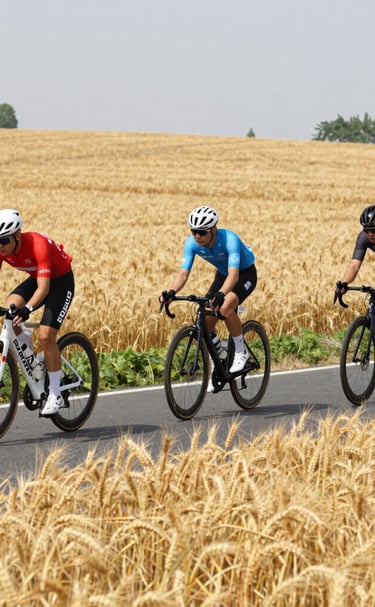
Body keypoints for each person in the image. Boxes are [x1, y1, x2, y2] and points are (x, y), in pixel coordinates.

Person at [160, 205, 257, 375]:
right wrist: (171, 292)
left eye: (202, 232)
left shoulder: (229, 239)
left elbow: (233, 276)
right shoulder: (192, 243)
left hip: (243, 274)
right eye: (194, 231)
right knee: (205, 319)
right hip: (222, 275)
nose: (197, 236)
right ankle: (218, 355)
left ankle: (241, 353)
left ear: (213, 230)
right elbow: (183, 273)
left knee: (225, 307)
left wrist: (221, 294)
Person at [0, 209, 74, 416]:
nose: (0, 245)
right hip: (36, 279)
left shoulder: (37, 245)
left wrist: (28, 309)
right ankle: (31, 358)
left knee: (46, 335)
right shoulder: (2, 249)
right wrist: (17, 310)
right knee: (9, 309)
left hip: (60, 282)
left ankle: (56, 394)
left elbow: (44, 289)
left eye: (4, 240)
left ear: (17, 236)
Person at [336, 205, 375, 294]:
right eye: (366, 230)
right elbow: (354, 265)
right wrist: (344, 283)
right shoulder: (363, 238)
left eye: (373, 230)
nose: (370, 234)